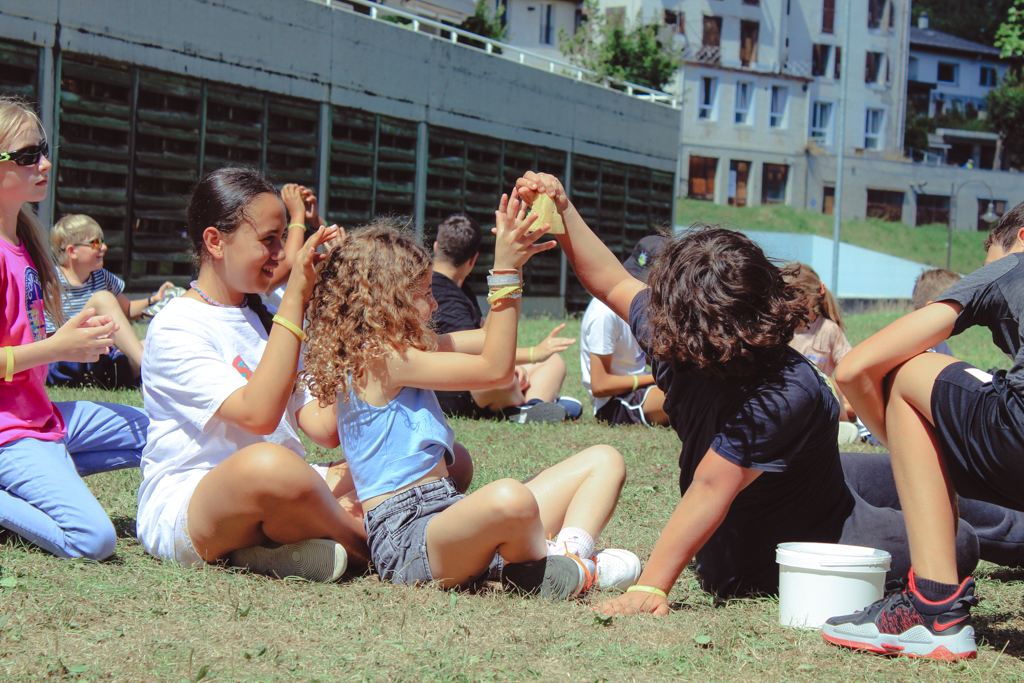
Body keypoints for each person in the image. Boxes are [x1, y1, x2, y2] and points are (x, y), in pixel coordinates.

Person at [512, 171, 982, 615]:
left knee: (924, 466)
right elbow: (712, 486)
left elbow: (612, 279)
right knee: (958, 542)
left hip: (813, 485)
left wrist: (564, 207)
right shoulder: (781, 392)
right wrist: (650, 586)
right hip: (763, 548)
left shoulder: (674, 335)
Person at [301, 195, 640, 597]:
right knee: (509, 498)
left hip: (446, 513)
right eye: (424, 294)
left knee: (604, 460)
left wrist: (513, 268)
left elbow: (489, 340)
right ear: (387, 301)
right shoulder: (382, 359)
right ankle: (553, 564)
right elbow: (493, 369)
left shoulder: (410, 350)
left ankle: (568, 554)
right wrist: (505, 269)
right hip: (407, 541)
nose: (435, 303)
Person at [136, 167, 381, 582]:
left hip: (286, 481)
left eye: (283, 238)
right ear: (215, 241)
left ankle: (269, 548)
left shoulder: (265, 317)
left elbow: (322, 427)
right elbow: (259, 415)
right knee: (269, 466)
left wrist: (353, 317)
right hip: (191, 504)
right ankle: (375, 546)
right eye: (269, 240)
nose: (282, 254)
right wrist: (297, 299)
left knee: (434, 456)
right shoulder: (177, 323)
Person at [823, 201, 1024, 660]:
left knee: (912, 370)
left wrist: (917, 461)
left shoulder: (1013, 265)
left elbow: (855, 368)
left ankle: (934, 609)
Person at [0, 95, 148, 560]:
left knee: (157, 433)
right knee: (94, 539)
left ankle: (46, 472)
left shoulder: (24, 240)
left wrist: (71, 341)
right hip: (10, 433)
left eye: (42, 150)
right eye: (27, 157)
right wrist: (56, 348)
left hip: (39, 418)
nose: (43, 163)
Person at [430, 212, 581, 423]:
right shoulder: (445, 295)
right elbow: (484, 345)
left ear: (436, 247)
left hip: (474, 376)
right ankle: (527, 407)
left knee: (552, 362)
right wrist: (532, 354)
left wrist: (513, 263)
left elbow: (488, 340)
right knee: (503, 379)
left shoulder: (461, 290)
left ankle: (531, 406)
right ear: (473, 260)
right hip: (452, 390)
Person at [45, 214, 174, 388]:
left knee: (157, 345)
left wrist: (153, 300)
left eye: (102, 241)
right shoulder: (50, 281)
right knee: (102, 298)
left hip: (96, 357)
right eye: (95, 243)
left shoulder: (101, 277)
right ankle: (147, 369)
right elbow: (48, 339)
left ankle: (142, 369)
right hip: (64, 359)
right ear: (71, 251)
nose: (104, 247)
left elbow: (127, 311)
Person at [580, 235, 668, 427]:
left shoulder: (649, 307)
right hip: (614, 403)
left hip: (644, 388)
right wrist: (652, 379)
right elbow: (599, 386)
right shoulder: (604, 312)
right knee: (684, 396)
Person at [784, 263, 858, 444]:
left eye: (800, 299)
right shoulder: (779, 330)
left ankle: (840, 426)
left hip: (820, 401)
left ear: (815, 295)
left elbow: (851, 368)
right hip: (789, 400)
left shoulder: (828, 330)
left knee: (829, 382)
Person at [263, 183, 323, 308]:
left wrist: (315, 222)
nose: (280, 253)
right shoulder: (259, 282)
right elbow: (291, 263)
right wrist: (297, 214)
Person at [912, 268, 962, 356]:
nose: (962, 315)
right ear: (932, 310)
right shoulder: (916, 348)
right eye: (958, 309)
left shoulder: (938, 343)